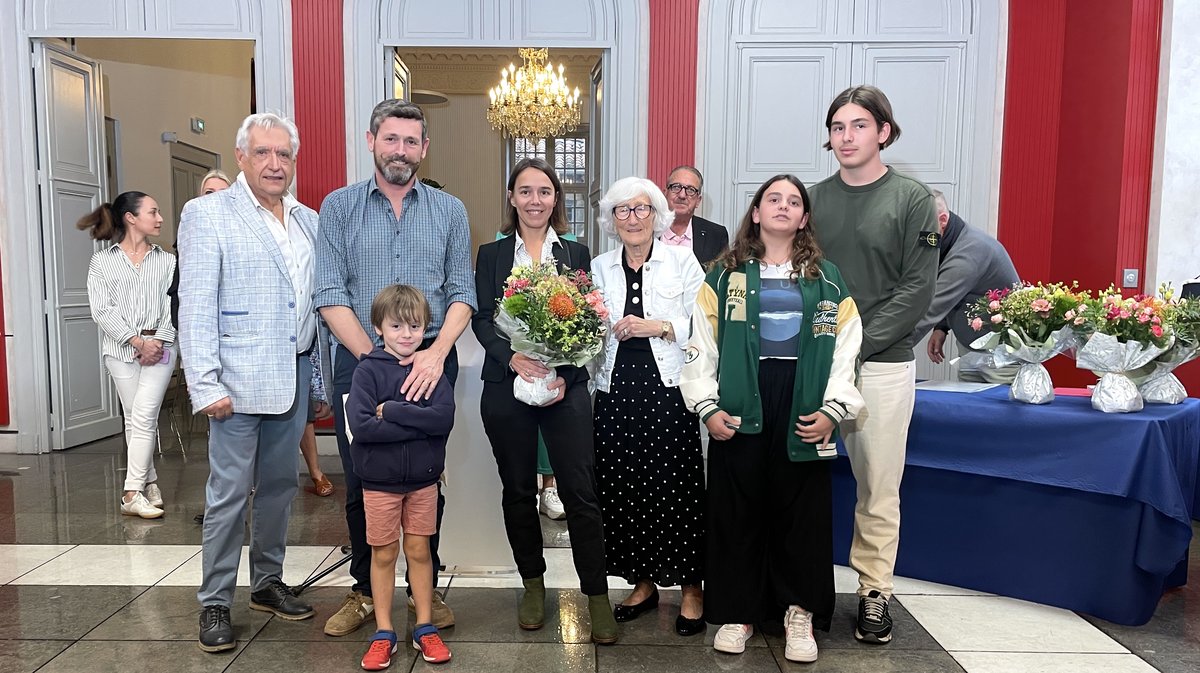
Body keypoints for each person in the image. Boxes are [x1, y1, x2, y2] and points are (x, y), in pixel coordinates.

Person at [680, 174, 863, 663]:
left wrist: (832, 410)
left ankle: (799, 612)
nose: (783, 207)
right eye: (772, 199)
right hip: (742, 401)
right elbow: (701, 346)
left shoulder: (827, 279)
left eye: (794, 202)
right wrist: (707, 406)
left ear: (804, 218)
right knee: (737, 511)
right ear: (756, 213)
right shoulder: (723, 276)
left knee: (800, 511)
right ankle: (739, 613)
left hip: (804, 401)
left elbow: (847, 351)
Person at [316, 99, 476, 637]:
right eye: (391, 139)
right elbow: (330, 292)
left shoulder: (449, 211)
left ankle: (420, 596)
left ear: (424, 149)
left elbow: (462, 294)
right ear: (371, 141)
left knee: (426, 474)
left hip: (432, 360)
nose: (400, 151)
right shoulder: (338, 208)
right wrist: (377, 360)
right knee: (365, 479)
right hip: (361, 360)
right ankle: (365, 590)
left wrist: (431, 354)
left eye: (411, 142)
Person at [180, 112, 321, 652]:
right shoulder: (208, 214)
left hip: (292, 376)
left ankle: (266, 583)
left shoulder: (307, 219)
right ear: (241, 157)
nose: (274, 163)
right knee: (229, 496)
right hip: (234, 385)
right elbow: (195, 306)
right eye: (262, 152)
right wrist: (206, 383)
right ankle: (215, 600)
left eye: (283, 154)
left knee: (282, 489)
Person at [808, 85, 939, 644]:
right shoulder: (812, 199)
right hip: (814, 365)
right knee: (800, 481)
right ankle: (799, 594)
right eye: (838, 127)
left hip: (881, 365)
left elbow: (917, 291)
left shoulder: (913, 200)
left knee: (878, 485)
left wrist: (853, 344)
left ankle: (874, 593)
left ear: (883, 131)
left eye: (858, 125)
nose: (847, 137)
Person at [471, 157, 617, 644]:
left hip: (565, 389)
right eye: (526, 191)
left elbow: (590, 322)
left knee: (579, 492)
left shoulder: (577, 253)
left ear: (556, 200)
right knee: (518, 490)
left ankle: (596, 596)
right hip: (505, 388)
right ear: (512, 198)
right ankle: (532, 585)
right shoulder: (491, 256)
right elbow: (482, 321)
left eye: (545, 192)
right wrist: (512, 357)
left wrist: (563, 368)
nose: (536, 200)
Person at [590, 177, 707, 636]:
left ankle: (692, 585)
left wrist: (656, 325)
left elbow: (703, 318)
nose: (633, 218)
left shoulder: (682, 261)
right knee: (623, 485)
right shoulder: (600, 266)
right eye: (623, 210)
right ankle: (642, 582)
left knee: (677, 484)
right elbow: (589, 324)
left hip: (668, 386)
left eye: (641, 209)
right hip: (615, 388)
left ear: (657, 216)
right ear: (611, 220)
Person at [347, 285, 454, 668]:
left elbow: (443, 419)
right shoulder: (367, 371)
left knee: (420, 551)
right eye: (396, 326)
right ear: (379, 328)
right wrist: (419, 425)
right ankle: (383, 632)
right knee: (384, 553)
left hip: (423, 481)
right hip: (379, 483)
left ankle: (425, 627)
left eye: (414, 326)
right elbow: (362, 428)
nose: (406, 334)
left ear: (426, 327)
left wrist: (391, 411)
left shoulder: (430, 369)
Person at [78, 191, 176, 520]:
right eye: (153, 212)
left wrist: (156, 341)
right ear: (131, 218)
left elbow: (171, 307)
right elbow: (101, 310)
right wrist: (135, 341)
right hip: (120, 350)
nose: (160, 218)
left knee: (144, 415)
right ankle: (149, 483)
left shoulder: (168, 261)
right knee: (135, 418)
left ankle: (130, 492)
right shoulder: (102, 262)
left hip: (162, 348)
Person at [913, 190, 1020, 383]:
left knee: (1001, 411)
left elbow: (932, 305)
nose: (914, 237)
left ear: (942, 220)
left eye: (918, 229)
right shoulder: (944, 239)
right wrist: (942, 327)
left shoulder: (969, 252)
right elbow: (954, 288)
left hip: (1001, 357)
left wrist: (887, 353)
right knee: (970, 410)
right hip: (971, 347)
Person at [660, 165, 728, 267]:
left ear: (698, 201)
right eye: (676, 187)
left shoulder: (716, 235)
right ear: (665, 194)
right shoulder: (647, 230)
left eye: (690, 190)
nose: (682, 195)